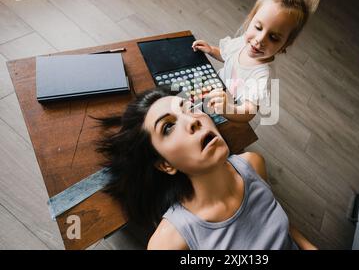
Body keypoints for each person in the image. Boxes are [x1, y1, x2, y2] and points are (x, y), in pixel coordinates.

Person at [96, 88, 317, 250]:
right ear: (165, 164)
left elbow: (283, 229)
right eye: (169, 127)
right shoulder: (170, 241)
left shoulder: (253, 164)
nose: (193, 120)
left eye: (190, 108)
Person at [192, 0, 327, 123]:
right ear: (251, 19)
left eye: (273, 37)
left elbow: (248, 111)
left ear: (286, 43)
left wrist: (228, 109)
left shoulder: (262, 76)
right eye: (258, 27)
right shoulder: (243, 43)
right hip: (218, 93)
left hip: (233, 116)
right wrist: (212, 51)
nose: (260, 40)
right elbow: (228, 56)